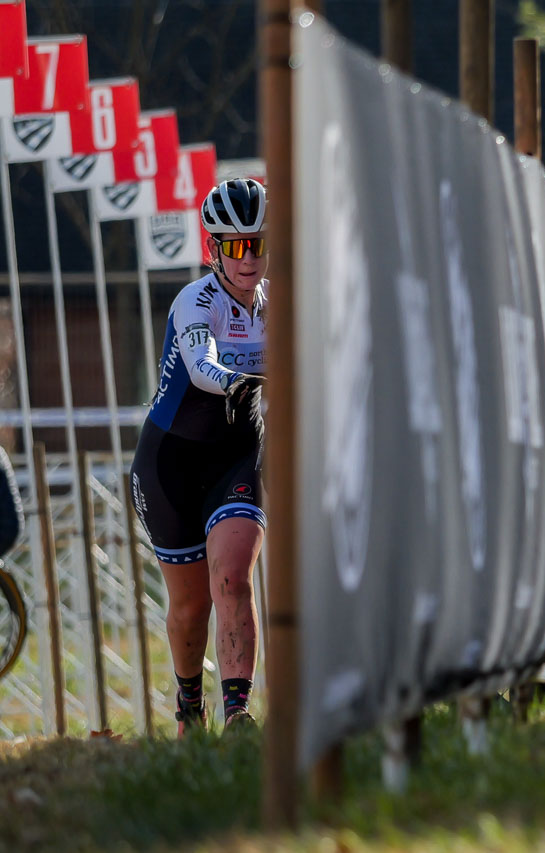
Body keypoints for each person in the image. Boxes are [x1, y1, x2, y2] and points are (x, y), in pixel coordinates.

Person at [129, 178, 268, 735]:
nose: (249, 257)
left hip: (237, 455)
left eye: (257, 242)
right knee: (191, 608)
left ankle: (237, 711)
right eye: (235, 246)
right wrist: (239, 381)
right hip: (171, 465)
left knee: (233, 578)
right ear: (213, 249)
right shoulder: (196, 300)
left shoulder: (274, 302)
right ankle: (191, 705)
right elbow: (202, 364)